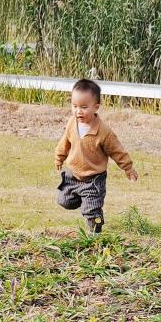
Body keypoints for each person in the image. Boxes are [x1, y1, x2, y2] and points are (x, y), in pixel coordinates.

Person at [55, 78, 137, 233]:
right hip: (73, 176)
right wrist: (59, 156)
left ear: (96, 107)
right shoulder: (72, 123)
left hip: (94, 179)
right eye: (75, 106)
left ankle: (95, 231)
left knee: (92, 212)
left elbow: (117, 150)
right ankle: (87, 201)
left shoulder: (103, 132)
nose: (78, 111)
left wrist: (128, 168)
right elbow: (64, 142)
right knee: (63, 200)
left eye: (84, 107)